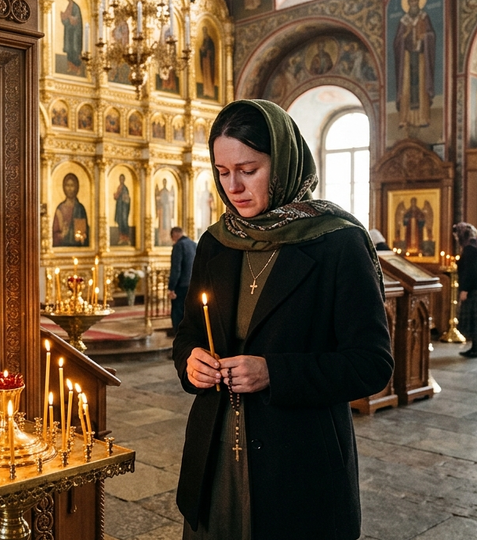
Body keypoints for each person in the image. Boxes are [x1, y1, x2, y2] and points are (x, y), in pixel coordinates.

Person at [172, 99, 393, 538]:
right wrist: (190, 362)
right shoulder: (217, 242)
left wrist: (274, 373)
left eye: (248, 170)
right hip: (214, 461)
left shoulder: (338, 243)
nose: (233, 186)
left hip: (300, 466)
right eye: (222, 171)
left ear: (284, 162)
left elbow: (372, 364)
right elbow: (189, 334)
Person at [393, 0, 436, 128]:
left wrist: (424, 36)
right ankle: (405, 119)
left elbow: (431, 35)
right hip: (407, 58)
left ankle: (423, 118)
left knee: (421, 85)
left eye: (415, 1)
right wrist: (405, 35)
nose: (413, 3)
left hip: (421, 56)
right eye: (410, 1)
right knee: (406, 86)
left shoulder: (424, 17)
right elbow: (397, 41)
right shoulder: (403, 21)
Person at [453, 223, 477, 358]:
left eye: (457, 236)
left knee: (474, 321)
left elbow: (470, 272)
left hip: (475, 289)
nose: (456, 239)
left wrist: (465, 289)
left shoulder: (470, 249)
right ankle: (476, 347)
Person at [168, 227, 196, 335]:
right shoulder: (194, 244)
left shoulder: (179, 246)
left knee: (178, 313)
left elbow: (176, 269)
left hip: (181, 286)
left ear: (174, 235)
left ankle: (179, 336)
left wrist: (171, 288)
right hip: (192, 284)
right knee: (190, 312)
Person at [113, 174, 131, 245]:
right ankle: (121, 237)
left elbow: (127, 199)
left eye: (122, 179)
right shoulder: (119, 187)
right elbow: (116, 197)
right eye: (120, 179)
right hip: (119, 207)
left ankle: (126, 238)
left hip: (124, 208)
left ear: (124, 180)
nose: (121, 180)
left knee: (124, 221)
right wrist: (116, 195)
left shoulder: (125, 188)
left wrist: (119, 195)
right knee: (120, 222)